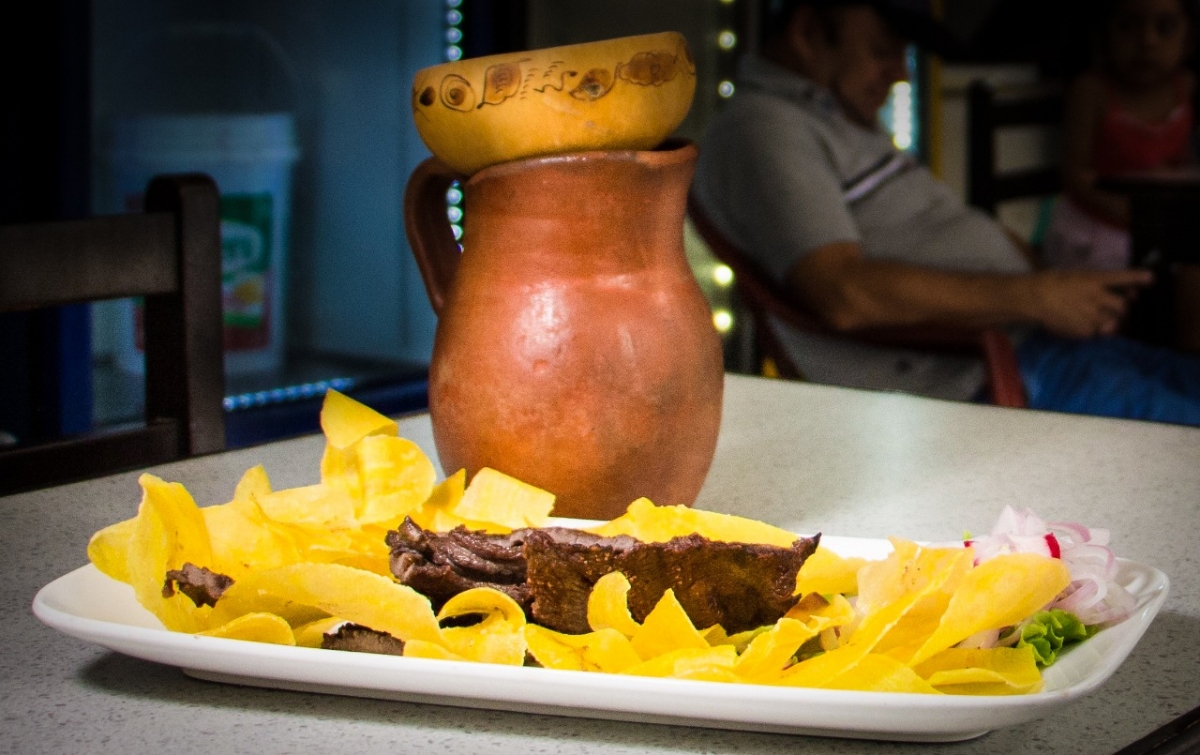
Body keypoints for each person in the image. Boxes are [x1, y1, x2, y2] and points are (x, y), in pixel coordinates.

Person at [691, 0, 1200, 425]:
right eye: (882, 51)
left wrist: (1053, 281)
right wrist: (1038, 296)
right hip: (987, 371)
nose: (899, 73)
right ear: (806, 32)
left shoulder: (833, 115)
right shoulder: (765, 129)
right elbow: (842, 293)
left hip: (1035, 342)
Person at [1044, 0, 1196, 271]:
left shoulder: (1187, 88)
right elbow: (1076, 176)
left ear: (1190, 39)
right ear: (1105, 33)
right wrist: (1138, 215)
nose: (1147, 41)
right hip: (1098, 230)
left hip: (1161, 226)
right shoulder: (1091, 91)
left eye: (1165, 27)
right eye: (1128, 26)